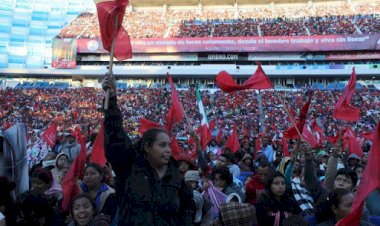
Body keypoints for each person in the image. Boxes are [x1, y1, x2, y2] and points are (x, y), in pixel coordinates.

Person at [102, 75, 193, 225]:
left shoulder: (175, 176)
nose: (168, 150)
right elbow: (115, 139)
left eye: (169, 145)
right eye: (162, 145)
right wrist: (111, 100)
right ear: (147, 147)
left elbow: (187, 206)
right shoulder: (130, 168)